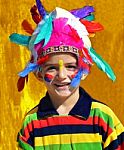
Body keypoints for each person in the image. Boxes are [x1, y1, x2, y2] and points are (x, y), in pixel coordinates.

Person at [9, 0, 124, 149]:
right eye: (52, 68)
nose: (62, 75)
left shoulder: (103, 118)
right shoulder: (31, 124)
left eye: (70, 66)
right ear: (38, 73)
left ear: (84, 71)